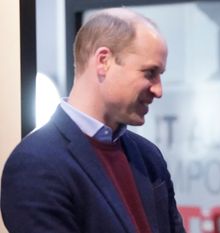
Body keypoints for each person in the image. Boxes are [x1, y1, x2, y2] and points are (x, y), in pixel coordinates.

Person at [1, 8, 185, 233]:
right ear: (103, 61)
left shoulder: (148, 157)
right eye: (149, 73)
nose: (158, 90)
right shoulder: (35, 164)